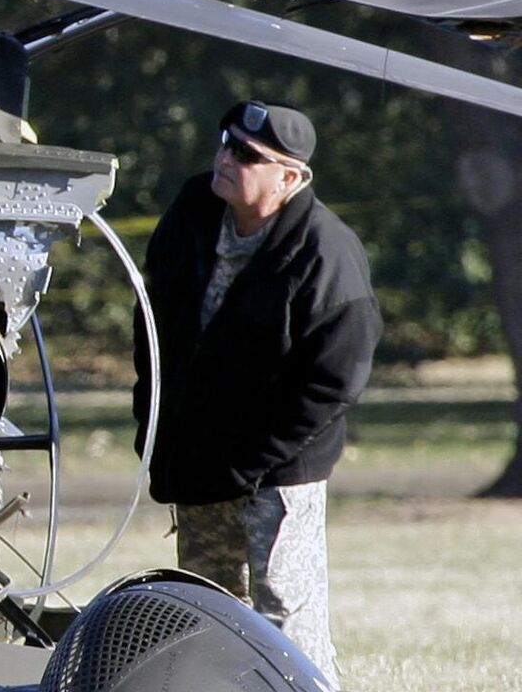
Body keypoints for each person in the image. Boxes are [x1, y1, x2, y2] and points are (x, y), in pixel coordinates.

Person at [133, 100, 382, 687]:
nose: (225, 157)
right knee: (205, 612)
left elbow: (333, 381)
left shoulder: (327, 252)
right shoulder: (194, 212)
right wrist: (156, 424)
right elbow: (153, 321)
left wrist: (251, 458)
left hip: (278, 473)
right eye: (225, 141)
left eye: (246, 154)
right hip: (197, 459)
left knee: (284, 619)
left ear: (289, 177)